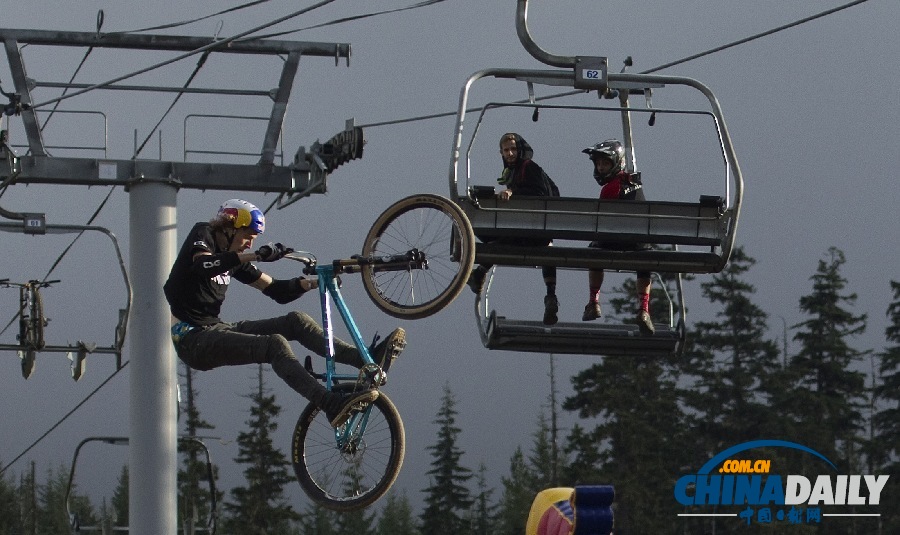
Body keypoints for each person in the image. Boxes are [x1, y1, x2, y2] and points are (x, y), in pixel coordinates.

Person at [164, 199, 407, 427]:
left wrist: (311, 283)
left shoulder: (233, 260)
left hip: (216, 328)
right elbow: (202, 265)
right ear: (229, 227)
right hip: (192, 340)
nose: (250, 244)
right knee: (274, 345)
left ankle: (366, 359)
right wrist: (257, 255)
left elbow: (276, 291)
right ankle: (330, 404)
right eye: (248, 237)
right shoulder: (204, 233)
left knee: (296, 321)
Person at [467, 132, 560, 325]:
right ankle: (550, 296)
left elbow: (539, 193)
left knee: (489, 233)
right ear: (501, 153)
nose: (510, 153)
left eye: (513, 149)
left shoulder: (529, 167)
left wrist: (512, 192)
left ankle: (480, 271)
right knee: (490, 235)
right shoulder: (514, 172)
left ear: (520, 149)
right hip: (534, 230)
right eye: (506, 150)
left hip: (537, 231)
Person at [581, 139, 655, 335]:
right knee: (645, 256)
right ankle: (644, 308)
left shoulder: (610, 188)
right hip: (638, 245)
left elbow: (601, 221)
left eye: (605, 163)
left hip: (611, 241)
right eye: (598, 164)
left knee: (594, 251)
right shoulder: (634, 184)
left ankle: (593, 301)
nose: (601, 168)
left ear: (616, 162)